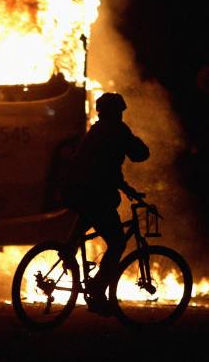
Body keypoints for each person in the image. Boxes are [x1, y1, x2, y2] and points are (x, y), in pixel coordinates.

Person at [62, 92, 149, 314]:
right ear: (115, 112)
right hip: (96, 194)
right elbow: (140, 154)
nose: (121, 115)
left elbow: (107, 167)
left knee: (87, 217)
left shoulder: (96, 130)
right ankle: (98, 291)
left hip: (79, 191)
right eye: (120, 111)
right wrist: (135, 139)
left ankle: (67, 251)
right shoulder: (117, 130)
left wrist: (127, 189)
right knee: (118, 243)